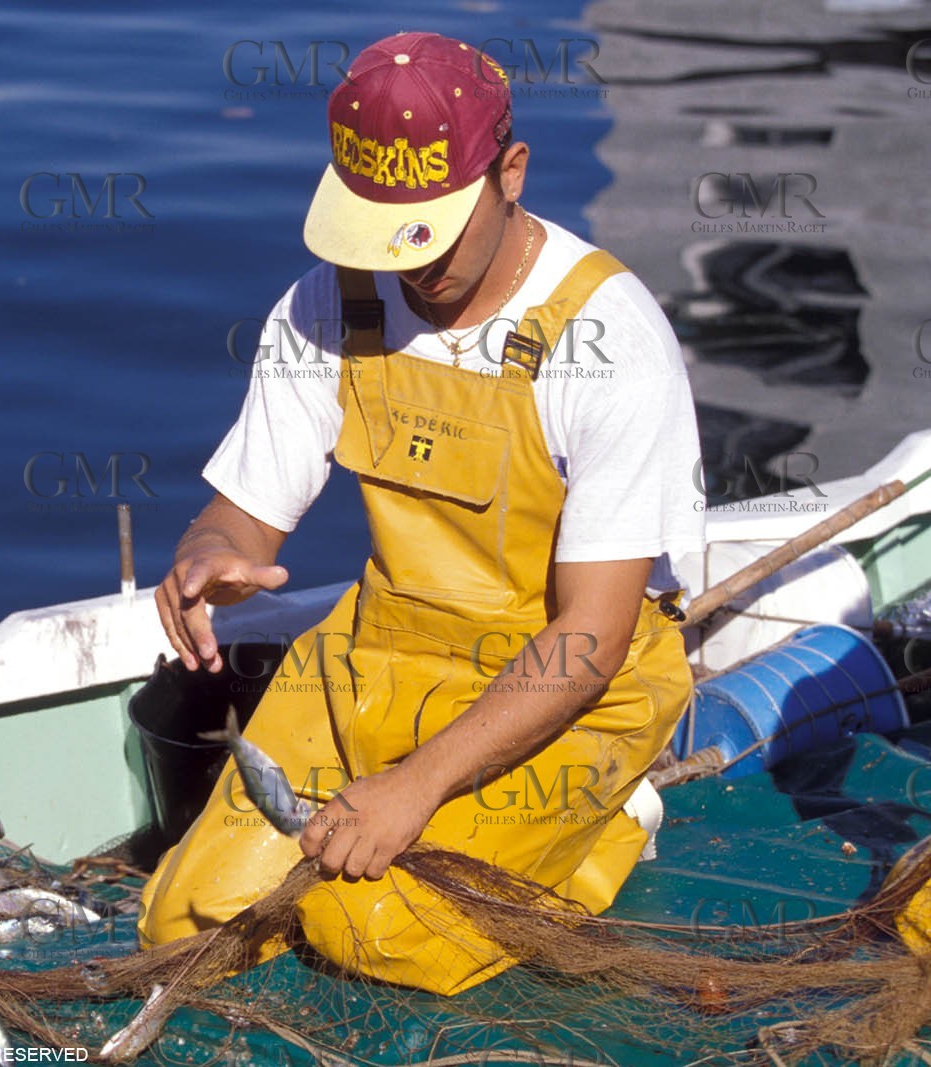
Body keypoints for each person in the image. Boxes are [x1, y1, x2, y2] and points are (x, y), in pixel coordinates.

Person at [137, 31, 705, 994]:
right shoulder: (328, 304)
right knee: (185, 921)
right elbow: (238, 522)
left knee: (382, 932)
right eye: (382, 231)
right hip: (386, 651)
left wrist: (416, 782)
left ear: (511, 173)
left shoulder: (606, 338)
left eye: (433, 231)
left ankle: (606, 823)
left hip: (570, 681)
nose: (409, 265)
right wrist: (210, 560)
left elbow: (593, 636)